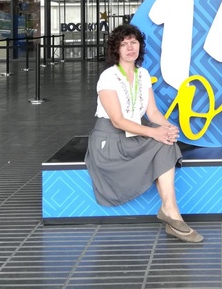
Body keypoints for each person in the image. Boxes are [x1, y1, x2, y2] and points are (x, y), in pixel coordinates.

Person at [84, 23, 203, 243]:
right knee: (159, 139)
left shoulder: (143, 74)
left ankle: (170, 209)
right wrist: (154, 133)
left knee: (167, 143)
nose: (130, 47)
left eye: (134, 42)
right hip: (109, 140)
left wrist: (167, 128)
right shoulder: (108, 77)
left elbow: (153, 112)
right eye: (124, 44)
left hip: (134, 134)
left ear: (140, 46)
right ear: (116, 49)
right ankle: (172, 215)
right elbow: (118, 121)